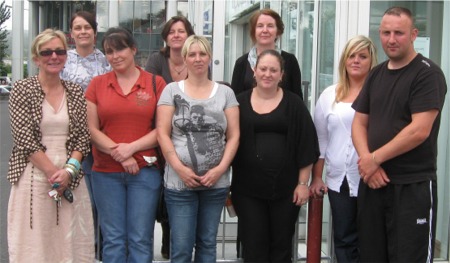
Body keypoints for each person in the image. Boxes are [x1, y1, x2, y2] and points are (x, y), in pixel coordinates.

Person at [351, 7, 447, 263]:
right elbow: (359, 123)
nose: (391, 39)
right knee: (371, 256)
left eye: (399, 33)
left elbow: (419, 131)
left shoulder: (428, 74)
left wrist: (374, 159)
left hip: (411, 185)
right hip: (373, 183)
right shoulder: (376, 74)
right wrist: (367, 164)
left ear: (414, 34)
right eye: (386, 33)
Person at [7, 28, 93, 262]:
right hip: (33, 175)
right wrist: (53, 174)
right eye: (46, 52)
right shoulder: (22, 89)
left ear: (66, 56)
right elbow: (23, 137)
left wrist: (68, 171)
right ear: (36, 58)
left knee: (70, 241)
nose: (54, 56)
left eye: (59, 51)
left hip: (71, 176)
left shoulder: (75, 91)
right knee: (34, 241)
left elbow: (82, 138)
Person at [85, 27, 166, 262]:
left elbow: (162, 129)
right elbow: (91, 130)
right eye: (109, 51)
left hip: (145, 171)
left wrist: (130, 149)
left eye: (120, 49)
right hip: (105, 173)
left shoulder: (155, 83)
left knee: (140, 238)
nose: (115, 56)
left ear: (133, 49)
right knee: (113, 239)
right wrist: (120, 153)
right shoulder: (97, 84)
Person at [157, 35, 239, 263]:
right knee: (182, 248)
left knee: (207, 244)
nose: (198, 59)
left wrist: (221, 169)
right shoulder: (171, 91)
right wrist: (178, 168)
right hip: (179, 183)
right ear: (184, 58)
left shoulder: (225, 93)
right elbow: (162, 133)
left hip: (216, 184)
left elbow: (233, 136)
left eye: (202, 54)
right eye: (192, 54)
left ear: (210, 57)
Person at [231, 49, 319, 263]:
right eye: (263, 69)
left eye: (273, 70)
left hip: (286, 190)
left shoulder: (295, 104)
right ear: (254, 71)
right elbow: (228, 142)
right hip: (248, 190)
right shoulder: (238, 103)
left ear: (282, 75)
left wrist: (302, 183)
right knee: (253, 247)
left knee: (281, 248)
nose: (267, 74)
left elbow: (306, 144)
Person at [309, 35, 377, 263]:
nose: (356, 60)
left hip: (372, 177)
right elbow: (321, 140)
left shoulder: (379, 93)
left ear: (371, 61)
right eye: (351, 55)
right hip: (340, 180)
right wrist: (317, 177)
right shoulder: (329, 95)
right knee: (344, 239)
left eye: (362, 56)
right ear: (344, 60)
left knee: (371, 239)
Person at [60, 10, 111, 260]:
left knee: (97, 200)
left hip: (100, 137)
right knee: (73, 197)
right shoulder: (62, 60)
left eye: (87, 27)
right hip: (68, 139)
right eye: (77, 28)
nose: (82, 32)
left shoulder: (106, 61)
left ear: (95, 31)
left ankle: (98, 250)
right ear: (72, 33)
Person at [144, 15, 194, 259]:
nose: (176, 35)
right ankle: (167, 238)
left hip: (188, 134)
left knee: (184, 186)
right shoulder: (156, 60)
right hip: (160, 130)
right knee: (166, 188)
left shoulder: (195, 59)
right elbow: (150, 93)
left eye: (181, 31)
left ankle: (180, 242)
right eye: (172, 31)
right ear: (166, 36)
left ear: (189, 35)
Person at [231, 8, 303, 100]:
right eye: (260, 26)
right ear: (254, 31)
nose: (265, 30)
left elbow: (297, 98)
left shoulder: (290, 61)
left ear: (278, 31)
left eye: (270, 26)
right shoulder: (242, 63)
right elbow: (234, 102)